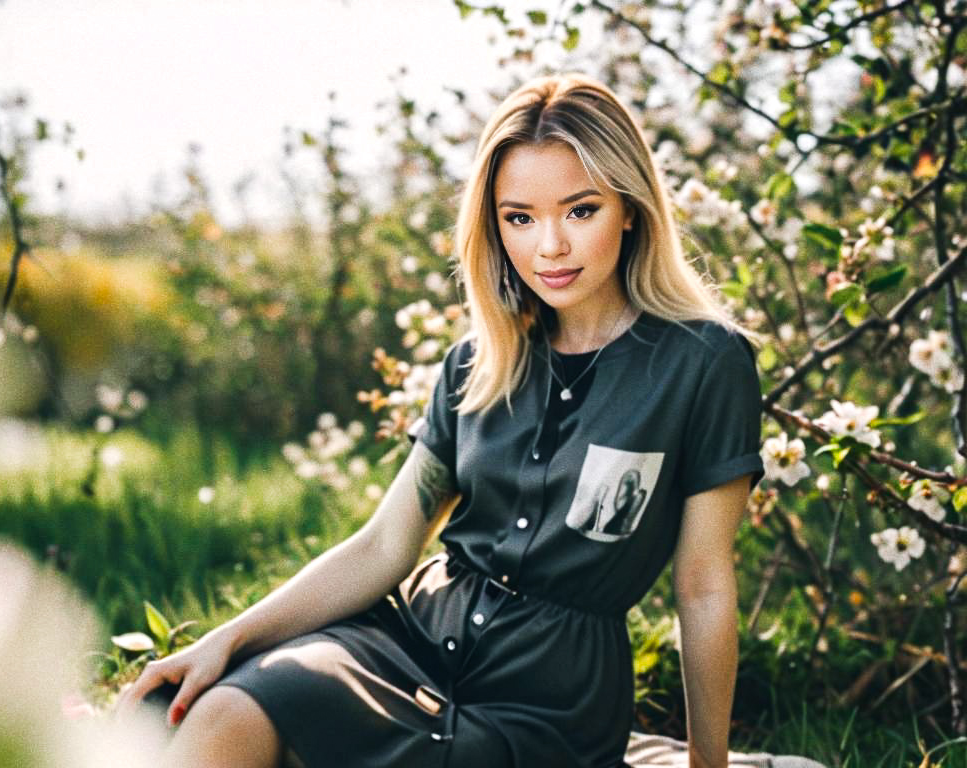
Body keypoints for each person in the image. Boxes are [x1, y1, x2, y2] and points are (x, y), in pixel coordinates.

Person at [116, 71, 766, 768]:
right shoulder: (476, 363)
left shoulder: (704, 363)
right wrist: (229, 639)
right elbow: (384, 546)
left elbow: (701, 586)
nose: (550, 245)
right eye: (520, 217)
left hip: (551, 700)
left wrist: (709, 765)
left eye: (580, 211)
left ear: (630, 209)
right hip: (408, 640)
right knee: (220, 710)